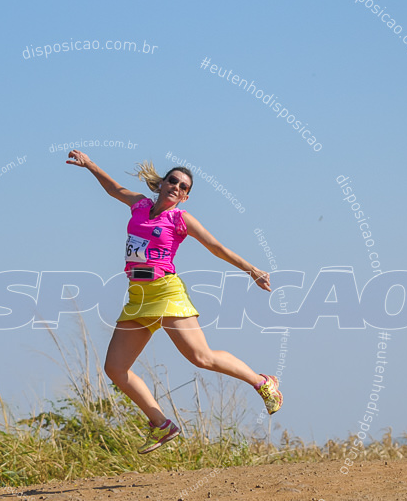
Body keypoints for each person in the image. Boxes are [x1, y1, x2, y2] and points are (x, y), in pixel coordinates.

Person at [66, 150, 283, 454]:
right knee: (116, 368)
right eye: (173, 181)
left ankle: (262, 382)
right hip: (138, 297)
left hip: (166, 292)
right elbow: (114, 189)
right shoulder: (140, 204)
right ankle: (160, 424)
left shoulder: (180, 219)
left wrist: (252, 270)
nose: (177, 187)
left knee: (201, 357)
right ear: (162, 184)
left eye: (183, 187)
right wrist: (89, 165)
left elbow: (216, 247)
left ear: (185, 197)